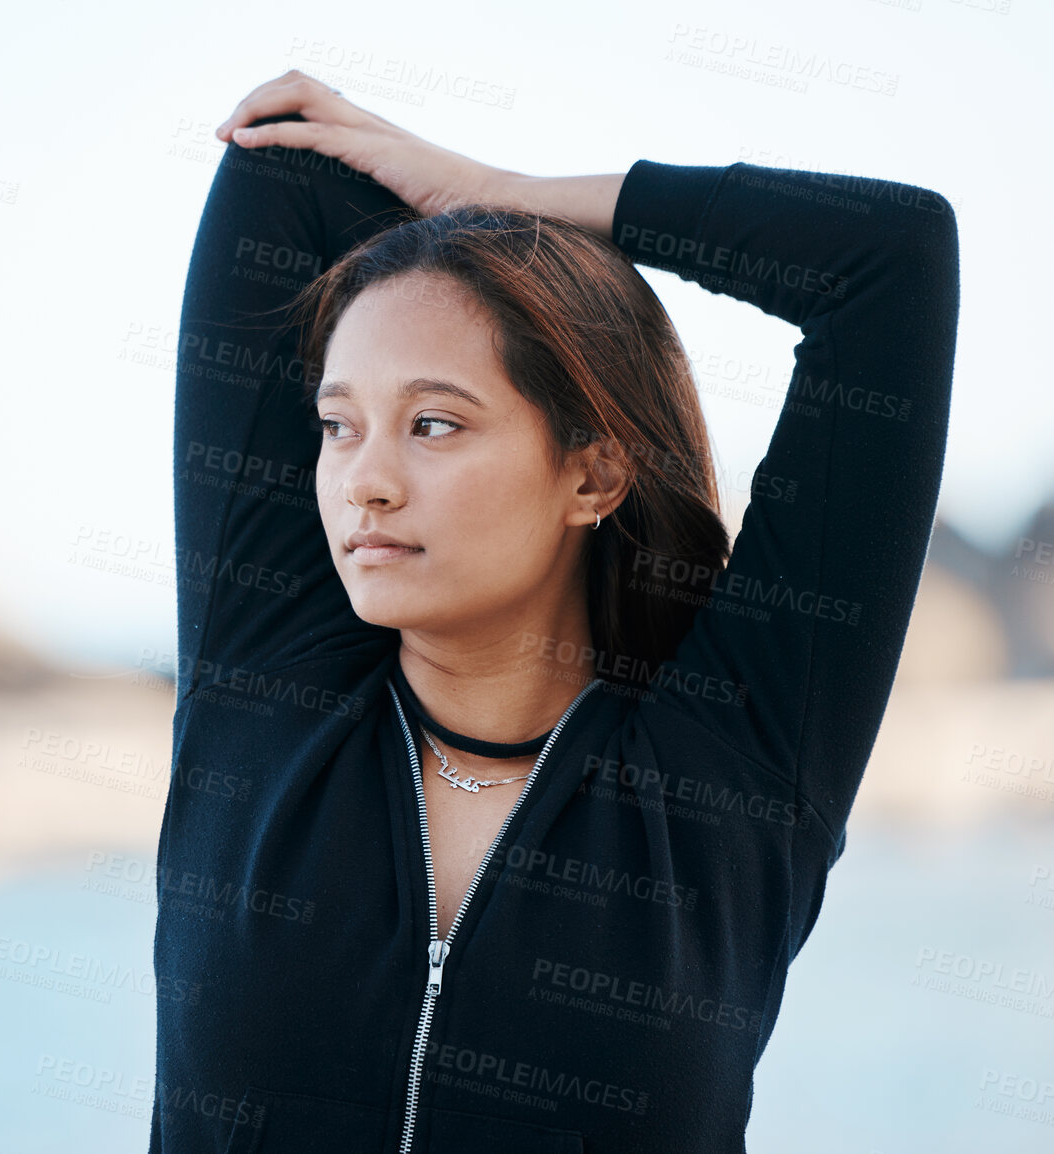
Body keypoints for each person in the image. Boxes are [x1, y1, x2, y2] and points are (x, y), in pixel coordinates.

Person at [151, 71, 960, 1153]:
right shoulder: (264, 688)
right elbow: (285, 169)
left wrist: (494, 195)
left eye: (435, 424)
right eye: (338, 426)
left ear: (594, 474)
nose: (365, 481)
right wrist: (463, 237)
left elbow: (890, 262)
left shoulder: (737, 766)